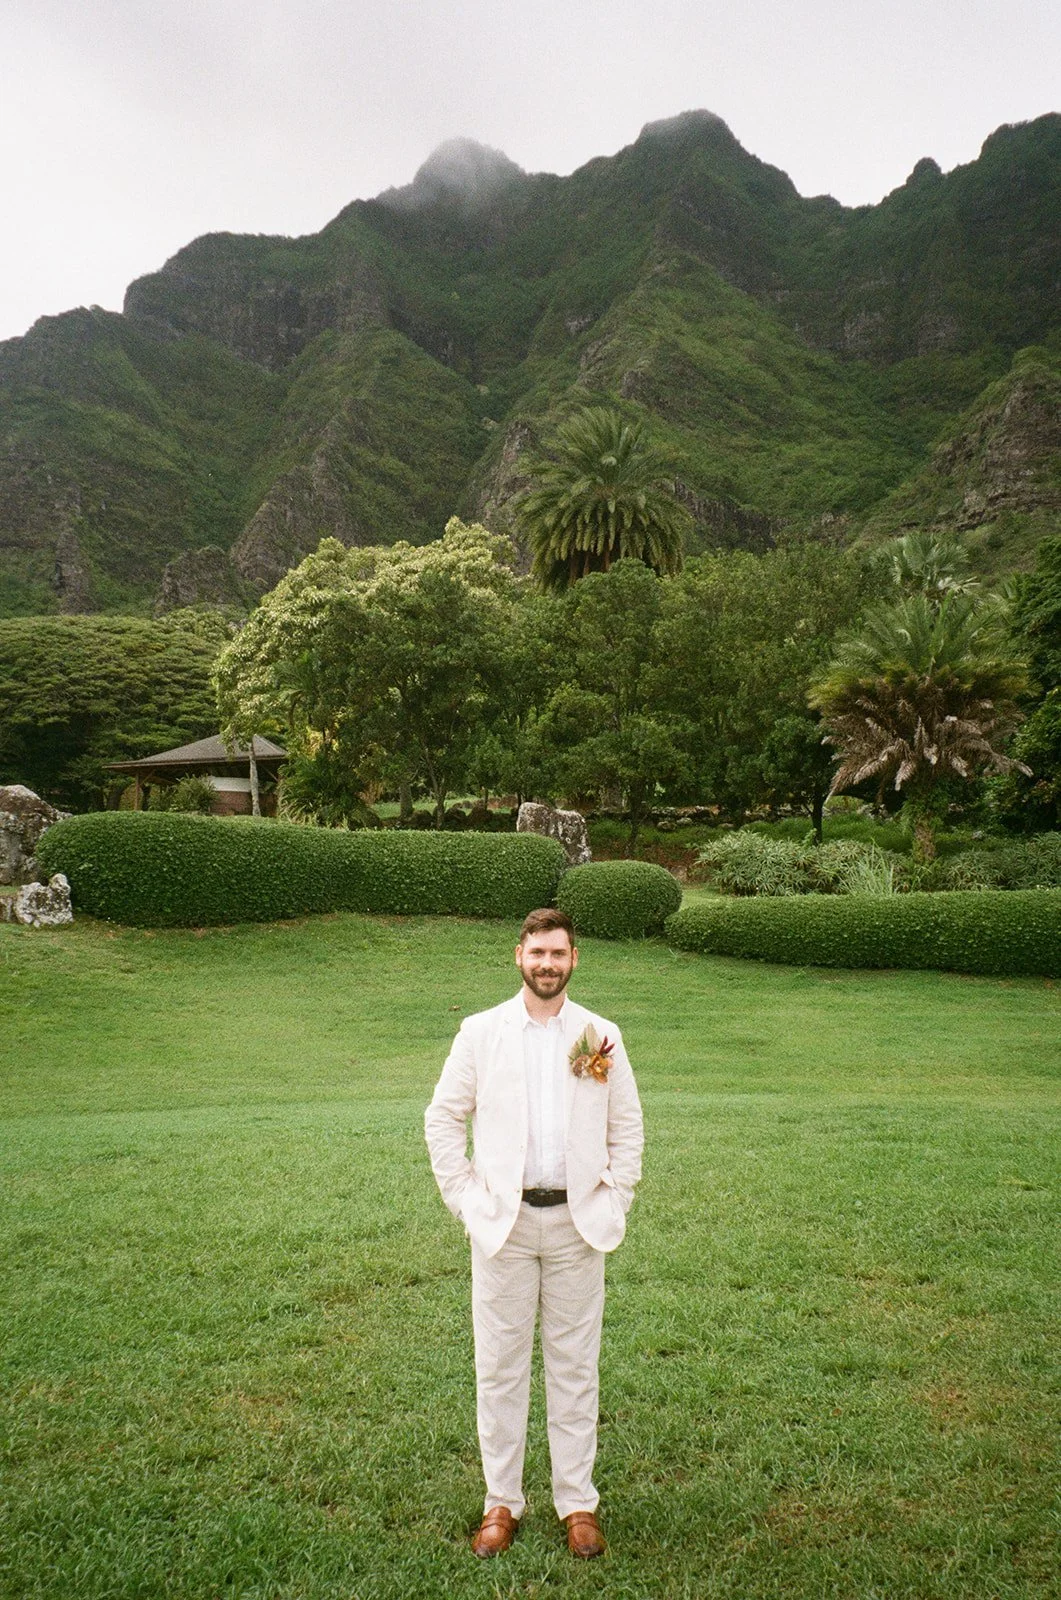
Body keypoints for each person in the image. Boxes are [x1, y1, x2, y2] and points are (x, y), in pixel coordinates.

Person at [424, 907, 644, 1559]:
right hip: (505, 1227)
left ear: (574, 959)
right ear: (518, 955)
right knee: (499, 1368)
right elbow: (443, 1118)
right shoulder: (481, 1032)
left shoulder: (598, 1036)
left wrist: (615, 1196)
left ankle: (576, 1502)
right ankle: (501, 1501)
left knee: (574, 1367)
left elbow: (626, 1127)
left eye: (558, 953)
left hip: (578, 1227)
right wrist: (468, 1201)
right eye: (537, 952)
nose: (547, 964)